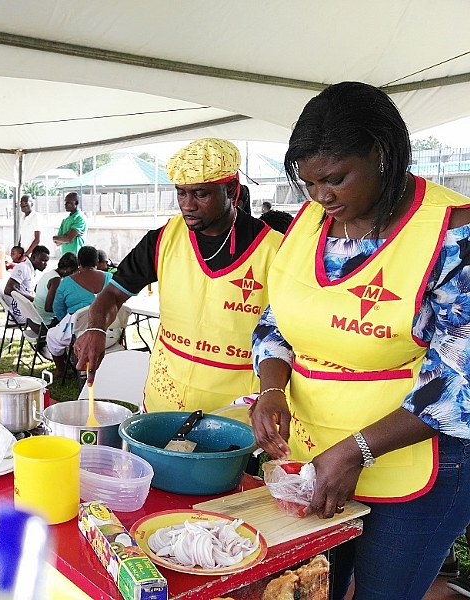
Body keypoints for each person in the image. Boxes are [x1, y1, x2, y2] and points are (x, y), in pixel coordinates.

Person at [249, 81, 470, 600]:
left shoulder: (452, 233)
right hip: (318, 453)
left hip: (417, 468)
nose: (322, 197)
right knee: (314, 588)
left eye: (336, 179)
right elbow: (277, 322)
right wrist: (271, 389)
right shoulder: (312, 222)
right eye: (309, 184)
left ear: (383, 153)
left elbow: (462, 382)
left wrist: (358, 450)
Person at [74, 138, 282, 412]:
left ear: (231, 189)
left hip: (238, 409)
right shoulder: (162, 240)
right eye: (181, 193)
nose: (188, 205)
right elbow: (113, 293)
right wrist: (96, 327)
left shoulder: (275, 248)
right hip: (166, 401)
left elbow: (286, 334)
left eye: (200, 194)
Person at [46, 246, 113, 378]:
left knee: (51, 336)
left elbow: (58, 310)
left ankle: (60, 370)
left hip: (80, 334)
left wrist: (69, 321)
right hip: (111, 332)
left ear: (79, 263)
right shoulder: (110, 278)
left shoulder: (66, 283)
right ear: (96, 262)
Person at [2, 245, 51, 324]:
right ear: (34, 257)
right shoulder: (22, 268)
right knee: (48, 320)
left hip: (25, 308)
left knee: (50, 316)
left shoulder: (32, 270)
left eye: (46, 261)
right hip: (17, 313)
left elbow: (36, 289)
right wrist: (33, 300)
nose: (45, 264)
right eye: (43, 260)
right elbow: (9, 290)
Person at [33, 251, 78, 326]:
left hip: (34, 319)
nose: (73, 274)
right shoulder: (56, 280)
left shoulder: (49, 273)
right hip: (43, 324)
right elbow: (48, 308)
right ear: (66, 269)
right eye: (73, 271)